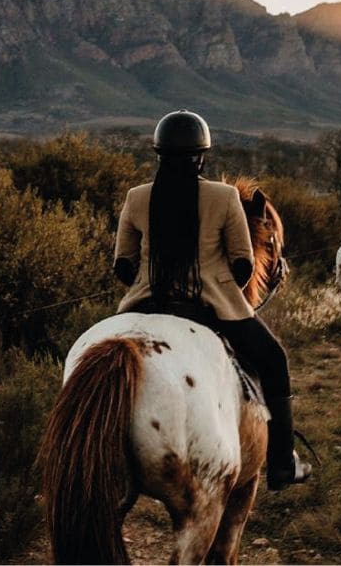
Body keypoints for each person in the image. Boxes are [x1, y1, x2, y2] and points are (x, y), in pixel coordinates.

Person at [113, 109, 311, 489]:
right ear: (202, 156)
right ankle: (283, 463)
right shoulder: (223, 197)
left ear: (158, 154)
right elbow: (243, 264)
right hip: (212, 308)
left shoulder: (136, 198)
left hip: (145, 305)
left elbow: (122, 266)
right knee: (273, 360)